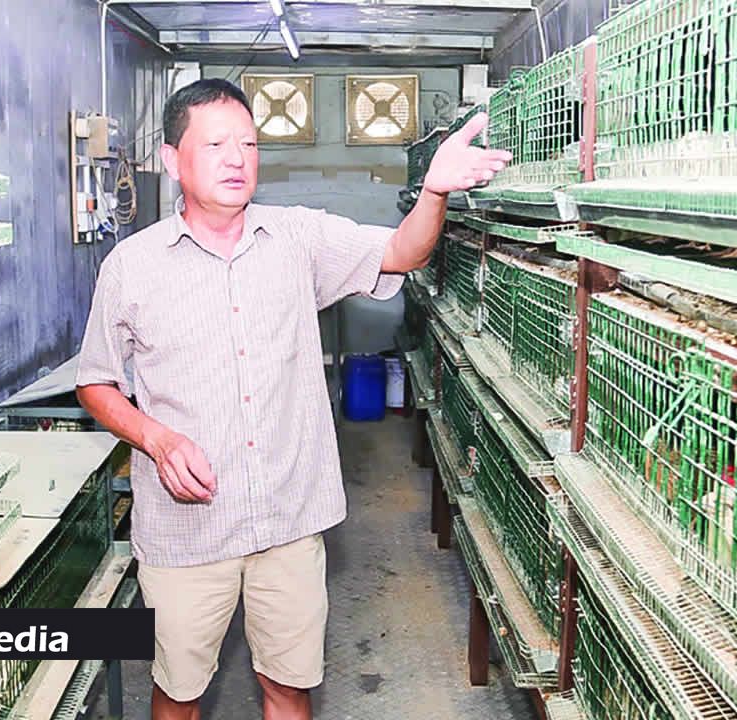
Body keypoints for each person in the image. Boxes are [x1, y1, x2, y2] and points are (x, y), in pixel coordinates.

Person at [75, 78, 510, 720]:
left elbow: (402, 251)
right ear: (172, 160)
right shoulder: (132, 267)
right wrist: (157, 439)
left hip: (287, 518)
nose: (236, 158)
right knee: (178, 692)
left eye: (248, 143)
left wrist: (434, 191)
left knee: (288, 686)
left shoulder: (298, 239)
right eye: (216, 143)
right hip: (189, 528)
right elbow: (96, 382)